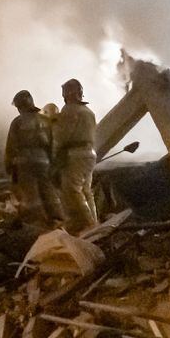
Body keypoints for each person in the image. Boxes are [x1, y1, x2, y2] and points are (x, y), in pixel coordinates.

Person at [5, 90, 62, 223]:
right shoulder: (45, 119)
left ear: (20, 106)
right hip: (44, 161)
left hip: (24, 163)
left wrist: (9, 167)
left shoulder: (17, 122)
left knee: (30, 195)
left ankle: (37, 223)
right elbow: (55, 142)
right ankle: (57, 219)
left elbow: (11, 147)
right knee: (48, 191)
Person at [53, 78, 98, 231]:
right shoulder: (88, 111)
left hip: (75, 155)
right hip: (90, 154)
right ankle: (95, 222)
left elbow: (62, 136)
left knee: (72, 189)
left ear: (68, 94)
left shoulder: (69, 110)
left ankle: (89, 225)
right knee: (86, 190)